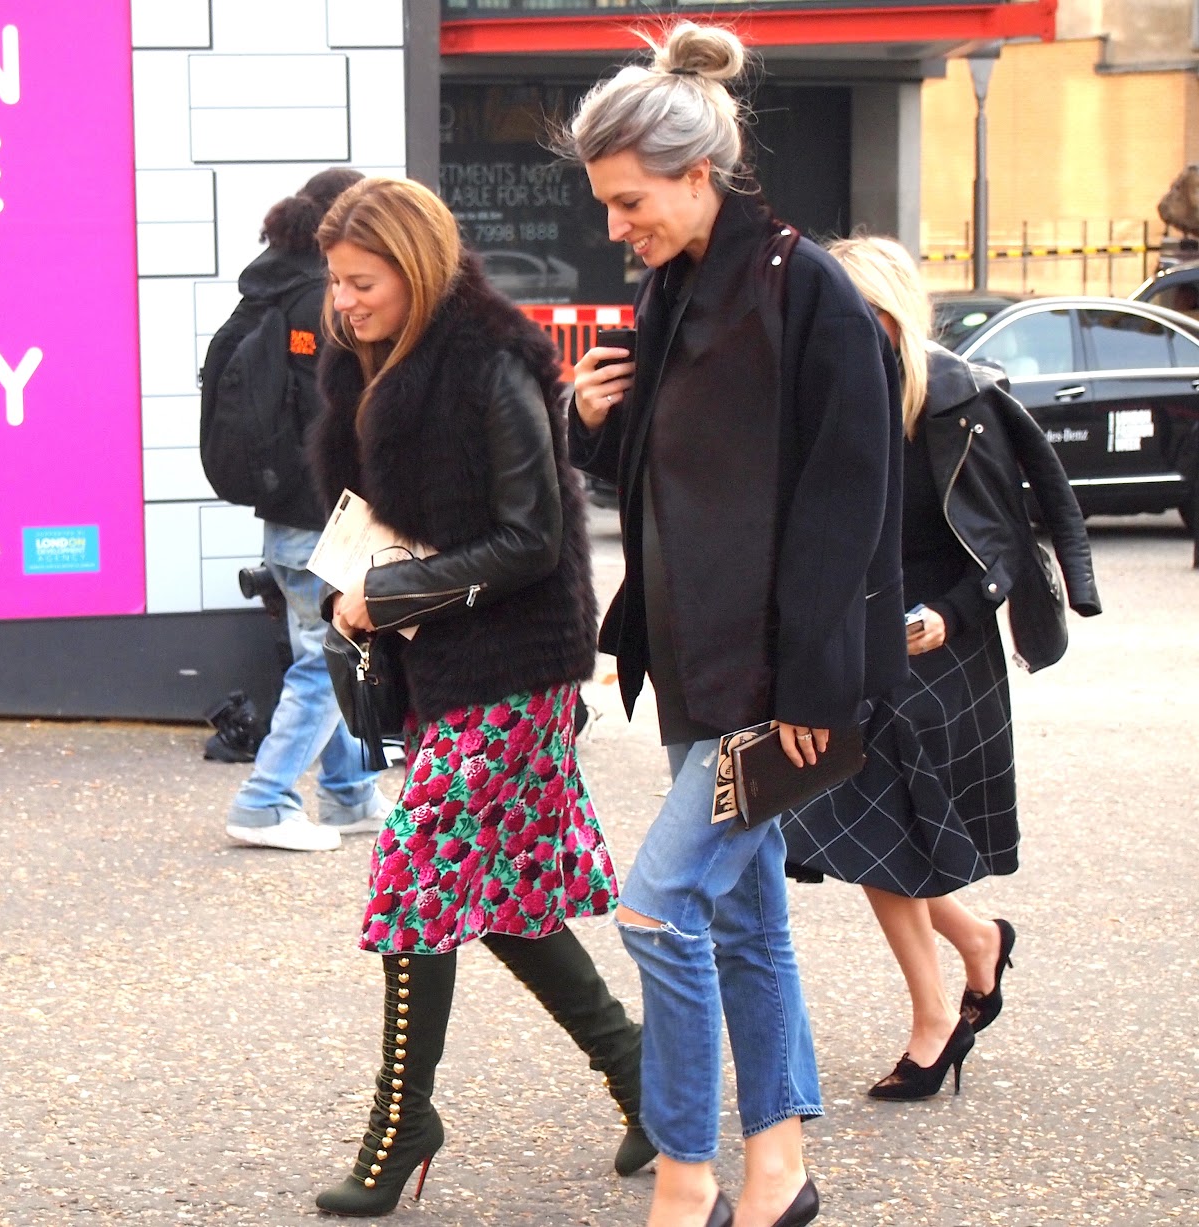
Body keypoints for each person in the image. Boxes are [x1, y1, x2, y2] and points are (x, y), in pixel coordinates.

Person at [562, 23, 908, 1227]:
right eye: (607, 206)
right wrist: (594, 425)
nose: (617, 227)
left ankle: (684, 1176)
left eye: (630, 202)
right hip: (693, 667)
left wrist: (814, 689)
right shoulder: (670, 288)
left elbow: (848, 503)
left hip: (768, 686)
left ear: (696, 173)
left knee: (656, 908)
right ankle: (779, 1169)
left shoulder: (805, 288)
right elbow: (678, 481)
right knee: (748, 926)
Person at [307, 176, 653, 1216]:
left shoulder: (492, 362)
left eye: (362, 282)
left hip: (515, 662)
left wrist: (387, 593)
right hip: (443, 663)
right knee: (494, 887)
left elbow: (531, 538)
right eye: (335, 282)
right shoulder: (370, 363)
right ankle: (638, 1070)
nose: (343, 303)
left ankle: (401, 1121)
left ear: (414, 270)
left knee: (418, 874)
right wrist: (356, 586)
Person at [782, 236, 1100, 1099]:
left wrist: (950, 616)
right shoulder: (825, 398)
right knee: (882, 831)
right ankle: (975, 940)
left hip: (941, 648)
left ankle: (934, 1019)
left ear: (890, 316)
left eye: (853, 315)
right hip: (858, 640)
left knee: (878, 828)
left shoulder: (961, 400)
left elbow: (1003, 543)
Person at [213, 168, 390, 852]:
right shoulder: (323, 302)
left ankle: (349, 793)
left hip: (284, 518)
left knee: (329, 649)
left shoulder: (267, 288)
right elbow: (339, 416)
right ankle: (264, 801)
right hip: (326, 517)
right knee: (329, 658)